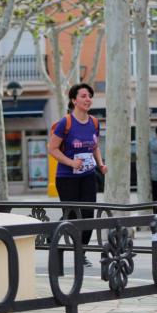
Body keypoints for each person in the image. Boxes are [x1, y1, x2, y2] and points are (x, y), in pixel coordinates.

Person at [48, 83, 107, 267]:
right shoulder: (66, 123)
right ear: (74, 100)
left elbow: (95, 146)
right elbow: (52, 149)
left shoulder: (94, 122)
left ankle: (80, 252)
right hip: (66, 178)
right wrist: (71, 162)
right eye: (83, 96)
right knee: (72, 215)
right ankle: (55, 233)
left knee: (88, 214)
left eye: (89, 95)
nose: (88, 99)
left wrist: (100, 163)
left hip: (88, 175)